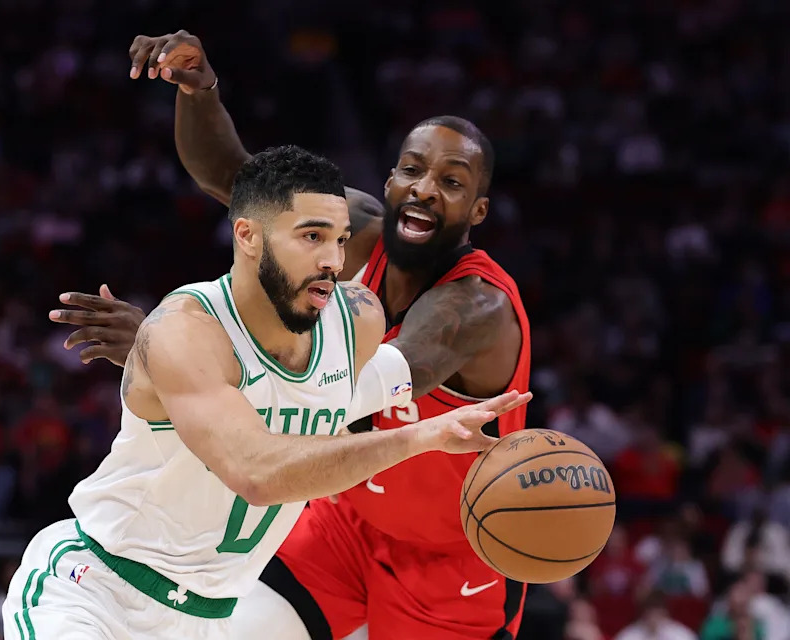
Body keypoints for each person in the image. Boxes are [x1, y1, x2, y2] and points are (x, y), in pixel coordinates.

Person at [54, 31, 533, 639]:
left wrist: (165, 349)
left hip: (451, 557)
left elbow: (346, 391)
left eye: (452, 182)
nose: (425, 189)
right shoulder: (352, 228)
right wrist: (200, 93)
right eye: (413, 171)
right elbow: (231, 178)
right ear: (388, 183)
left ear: (477, 212)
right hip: (342, 519)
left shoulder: (478, 306)